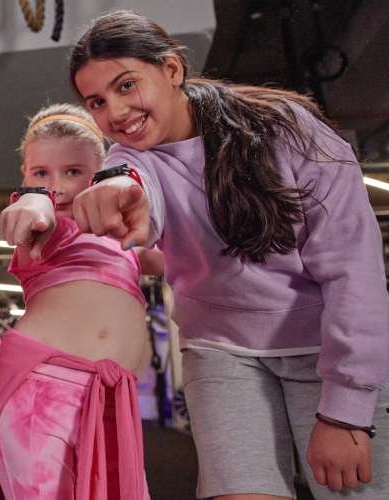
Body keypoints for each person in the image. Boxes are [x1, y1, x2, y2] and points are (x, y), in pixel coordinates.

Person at [69, 10, 389, 500]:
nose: (114, 112)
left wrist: (345, 410)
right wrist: (115, 194)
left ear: (172, 70)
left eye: (126, 85)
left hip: (324, 346)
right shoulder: (129, 158)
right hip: (220, 351)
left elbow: (355, 273)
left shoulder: (289, 132)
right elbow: (129, 186)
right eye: (97, 101)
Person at [0, 103, 152, 499]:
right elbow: (35, 213)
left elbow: (186, 256)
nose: (60, 186)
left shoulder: (124, 236)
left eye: (73, 172)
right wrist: (33, 201)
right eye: (41, 173)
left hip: (108, 398)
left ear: (100, 172)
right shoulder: (46, 224)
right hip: (43, 393)